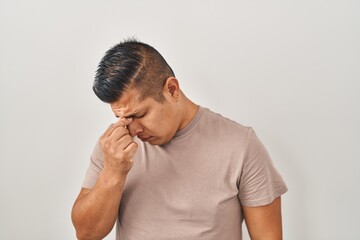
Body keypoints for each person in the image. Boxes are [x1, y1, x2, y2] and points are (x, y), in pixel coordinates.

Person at [71, 39, 288, 240]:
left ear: (172, 89)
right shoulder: (113, 149)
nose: (133, 130)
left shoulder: (241, 144)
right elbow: (86, 234)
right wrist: (113, 172)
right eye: (121, 118)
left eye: (139, 115)